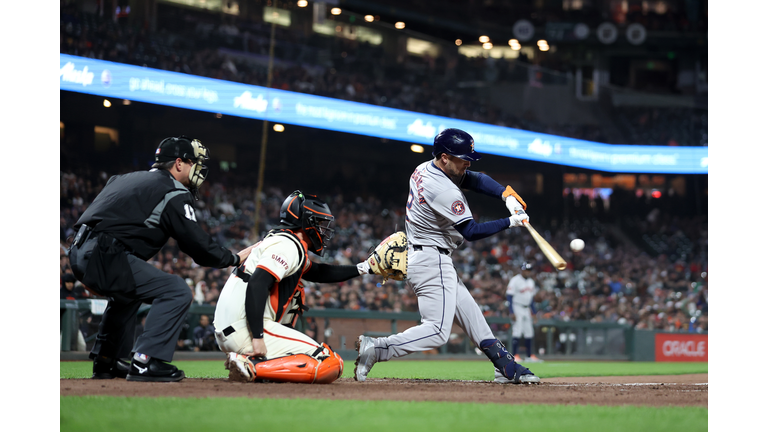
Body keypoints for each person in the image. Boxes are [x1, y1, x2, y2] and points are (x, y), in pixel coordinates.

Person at [354, 128, 540, 384]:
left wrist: (504, 194)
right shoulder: (442, 189)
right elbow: (471, 231)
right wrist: (510, 221)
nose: (467, 163)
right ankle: (377, 348)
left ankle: (504, 366)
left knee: (472, 316)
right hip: (432, 260)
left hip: (431, 257)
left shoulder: (425, 167)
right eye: (462, 158)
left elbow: (474, 178)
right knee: (438, 332)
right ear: (444, 157)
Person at [68, 135, 254, 382]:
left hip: (79, 249)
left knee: (126, 294)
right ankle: (147, 360)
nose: (197, 169)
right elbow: (196, 245)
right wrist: (233, 258)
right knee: (176, 290)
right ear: (179, 163)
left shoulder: (123, 179)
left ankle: (106, 361)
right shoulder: (173, 190)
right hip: (104, 254)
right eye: (192, 163)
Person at [216, 190, 376, 384]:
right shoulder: (288, 245)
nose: (324, 230)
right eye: (320, 223)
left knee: (307, 361)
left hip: (233, 327)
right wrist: (257, 338)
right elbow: (257, 284)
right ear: (306, 222)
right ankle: (252, 365)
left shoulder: (283, 241)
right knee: (330, 362)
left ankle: (253, 364)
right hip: (247, 329)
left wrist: (365, 267)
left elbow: (319, 272)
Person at [506, 262, 542, 362]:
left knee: (529, 332)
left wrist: (534, 313)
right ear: (522, 270)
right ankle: (514, 355)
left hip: (527, 309)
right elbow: (509, 296)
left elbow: (531, 299)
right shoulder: (515, 280)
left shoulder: (531, 281)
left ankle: (529, 356)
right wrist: (511, 311)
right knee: (517, 331)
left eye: (529, 270)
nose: (527, 272)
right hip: (517, 307)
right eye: (526, 270)